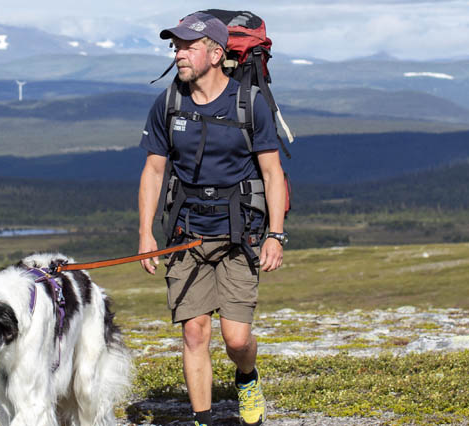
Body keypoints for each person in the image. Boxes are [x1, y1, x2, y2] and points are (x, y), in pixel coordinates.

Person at [137, 11, 287, 426]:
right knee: (194, 331)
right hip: (186, 234)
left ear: (217, 54)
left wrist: (275, 234)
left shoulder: (248, 104)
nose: (179, 53)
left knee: (236, 339)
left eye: (189, 46)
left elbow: (273, 173)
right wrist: (146, 232)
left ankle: (247, 376)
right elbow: (153, 171)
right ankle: (202, 419)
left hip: (240, 235)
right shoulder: (168, 103)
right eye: (177, 46)